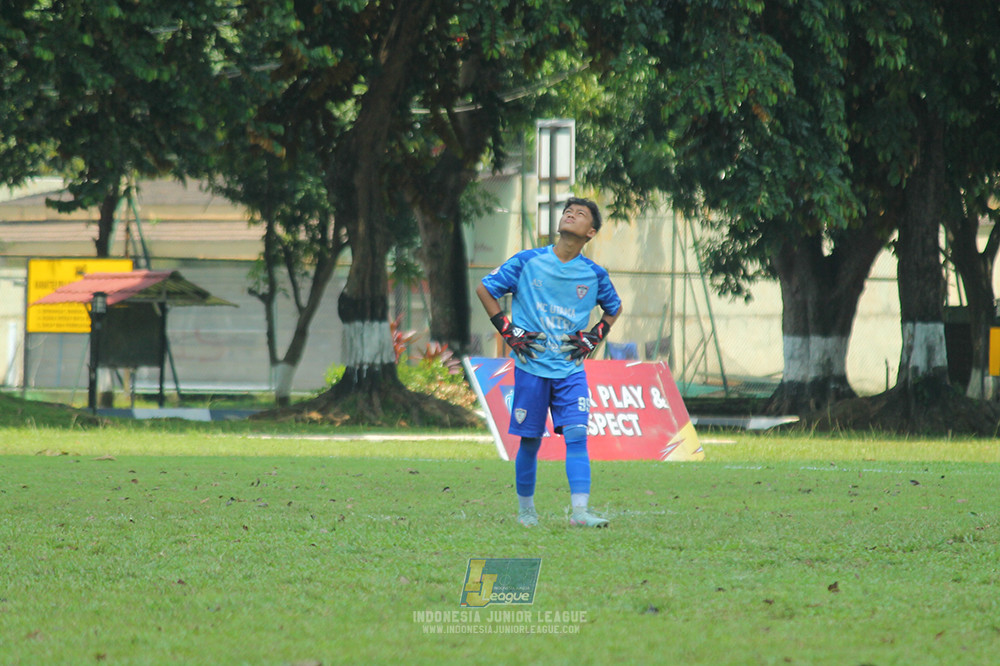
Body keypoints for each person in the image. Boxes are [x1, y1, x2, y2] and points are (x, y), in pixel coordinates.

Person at [476, 197, 622, 528]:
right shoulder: (528, 261)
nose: (571, 214)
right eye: (568, 211)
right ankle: (526, 511)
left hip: (570, 371)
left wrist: (595, 335)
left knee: (576, 435)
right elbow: (485, 289)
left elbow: (614, 307)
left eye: (581, 214)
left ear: (591, 232)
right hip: (531, 369)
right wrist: (507, 330)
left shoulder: (594, 274)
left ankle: (580, 513)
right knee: (530, 441)